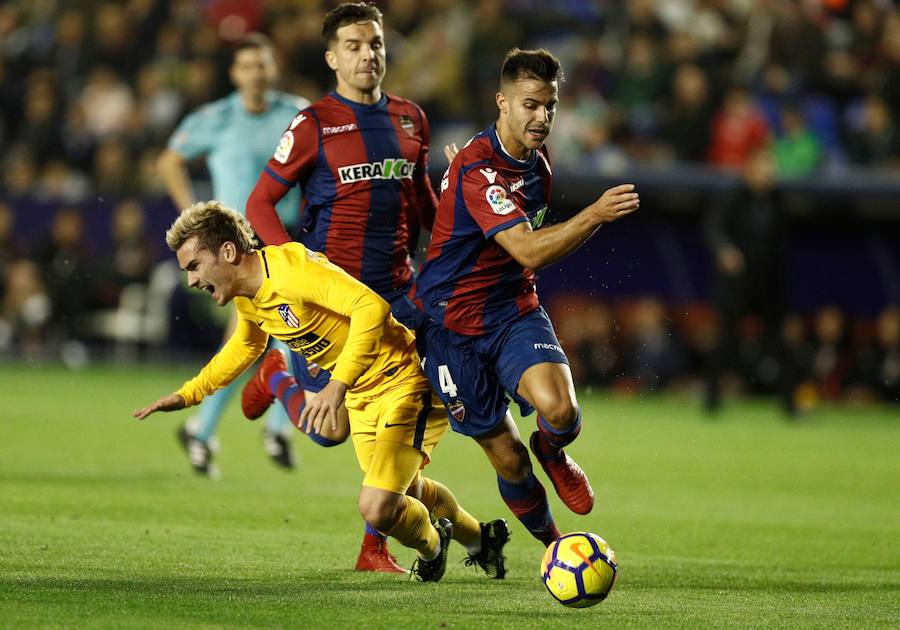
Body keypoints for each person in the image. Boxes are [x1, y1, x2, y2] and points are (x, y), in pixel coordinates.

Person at [132, 201, 509, 582]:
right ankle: (481, 540)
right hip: (363, 396)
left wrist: (336, 384)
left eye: (194, 266)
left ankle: (432, 544)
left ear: (227, 252)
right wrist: (189, 394)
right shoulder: (249, 296)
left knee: (377, 507)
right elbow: (245, 346)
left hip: (403, 381)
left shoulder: (291, 271)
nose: (191, 280)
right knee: (408, 492)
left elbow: (372, 308)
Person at [412, 48, 639, 546]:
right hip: (452, 328)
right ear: (503, 102)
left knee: (562, 413)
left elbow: (519, 253)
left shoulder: (536, 163)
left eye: (551, 106)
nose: (542, 118)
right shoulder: (479, 171)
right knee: (509, 457)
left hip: (512, 308)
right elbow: (529, 250)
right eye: (531, 105)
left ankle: (553, 452)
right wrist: (594, 214)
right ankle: (557, 548)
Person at [244, 2, 438, 572]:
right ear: (332, 57)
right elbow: (259, 203)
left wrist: (448, 258)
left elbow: (423, 206)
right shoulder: (313, 124)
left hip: (398, 298)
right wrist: (291, 271)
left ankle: (373, 548)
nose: (367, 54)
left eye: (374, 43)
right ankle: (276, 376)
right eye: (353, 45)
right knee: (331, 432)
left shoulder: (410, 119)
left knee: (399, 420)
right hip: (332, 305)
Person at [157, 34, 309, 477]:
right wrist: (192, 213)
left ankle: (208, 430)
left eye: (262, 65)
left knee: (270, 332)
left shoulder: (295, 112)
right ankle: (266, 427)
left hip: (284, 237)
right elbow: (169, 161)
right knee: (266, 332)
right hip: (234, 247)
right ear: (235, 74)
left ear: (273, 69)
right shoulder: (218, 117)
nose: (256, 74)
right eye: (247, 67)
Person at [702, 148, 791, 413]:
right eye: (764, 166)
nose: (769, 173)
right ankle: (712, 400)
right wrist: (725, 250)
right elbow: (713, 227)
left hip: (767, 285)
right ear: (750, 169)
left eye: (771, 167)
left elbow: (781, 247)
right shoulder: (733, 196)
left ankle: (790, 403)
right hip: (738, 283)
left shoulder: (777, 200)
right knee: (725, 341)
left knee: (780, 343)